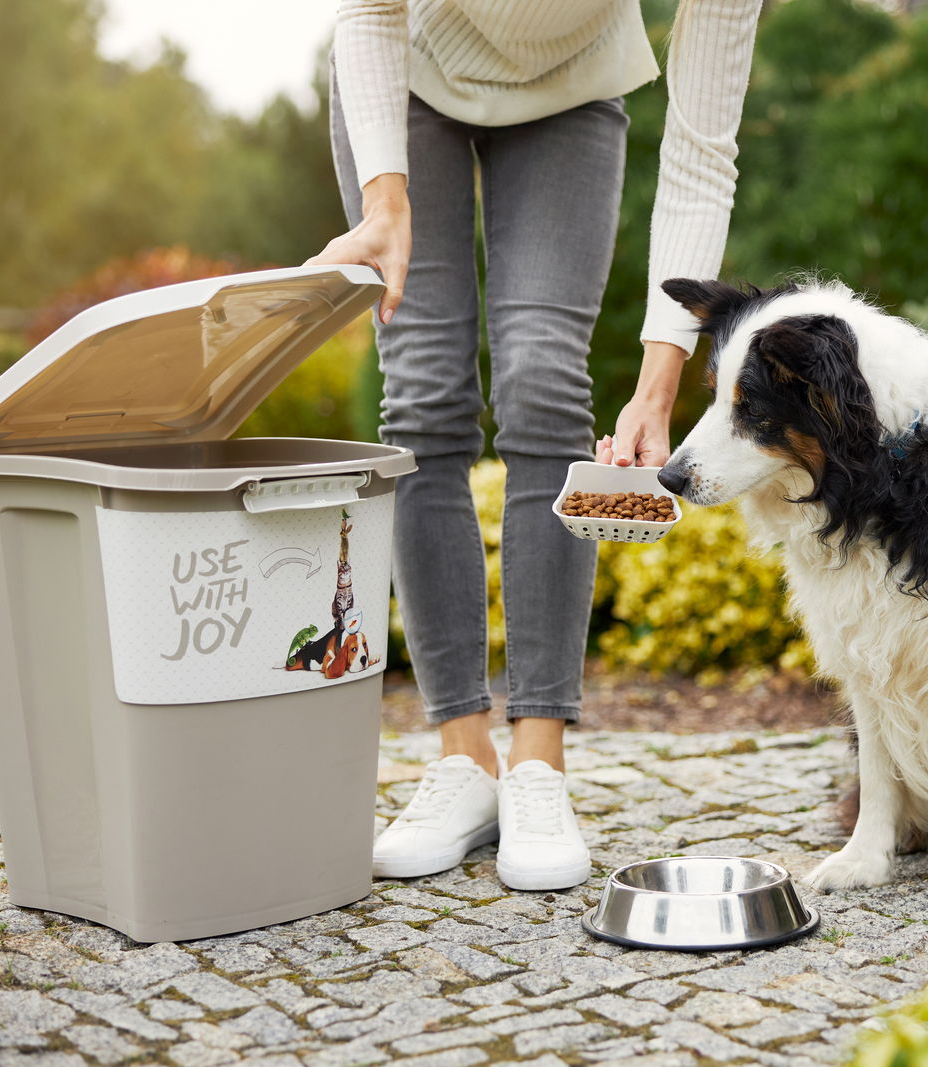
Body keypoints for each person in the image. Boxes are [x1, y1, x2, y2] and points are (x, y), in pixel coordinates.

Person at [311, 0, 758, 891]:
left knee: (544, 382)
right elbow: (369, 9)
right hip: (405, 73)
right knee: (425, 394)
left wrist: (659, 382)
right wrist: (384, 198)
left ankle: (538, 762)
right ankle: (464, 757)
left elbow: (702, 154)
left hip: (571, 93)